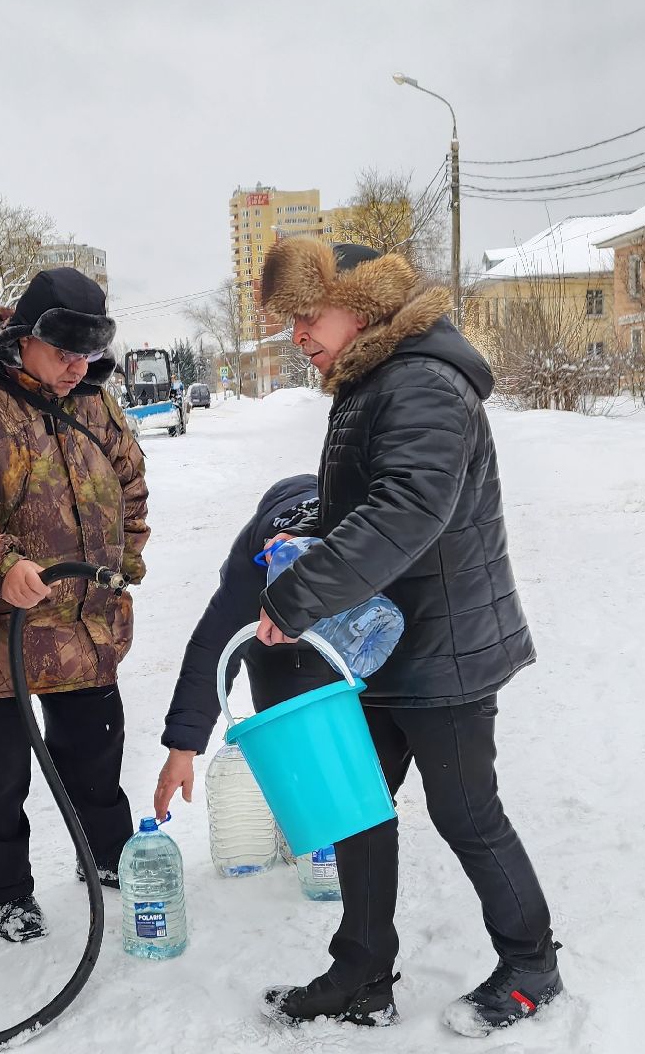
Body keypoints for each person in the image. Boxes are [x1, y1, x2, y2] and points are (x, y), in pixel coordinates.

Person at [249, 238, 560, 1037]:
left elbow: (407, 511)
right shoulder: (371, 382)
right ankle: (361, 973)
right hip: (383, 641)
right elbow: (366, 502)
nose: (299, 337)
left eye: (308, 318)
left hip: (444, 647)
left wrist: (301, 594)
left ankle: (532, 964)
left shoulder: (421, 381)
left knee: (466, 813)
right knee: (358, 806)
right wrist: (308, 534)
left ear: (360, 306)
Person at [0, 268, 150, 942]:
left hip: (82, 627)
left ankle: (107, 857)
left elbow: (129, 481)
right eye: (65, 354)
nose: (78, 370)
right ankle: (7, 892)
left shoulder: (95, 404)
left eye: (89, 356)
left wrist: (125, 560)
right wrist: (0, 564)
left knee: (96, 761)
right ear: (26, 337)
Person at [152, 475, 337, 816]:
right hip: (273, 645)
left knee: (350, 720)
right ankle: (299, 809)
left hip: (347, 609)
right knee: (289, 722)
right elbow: (211, 649)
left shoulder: (361, 550)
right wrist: (183, 748)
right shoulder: (249, 573)